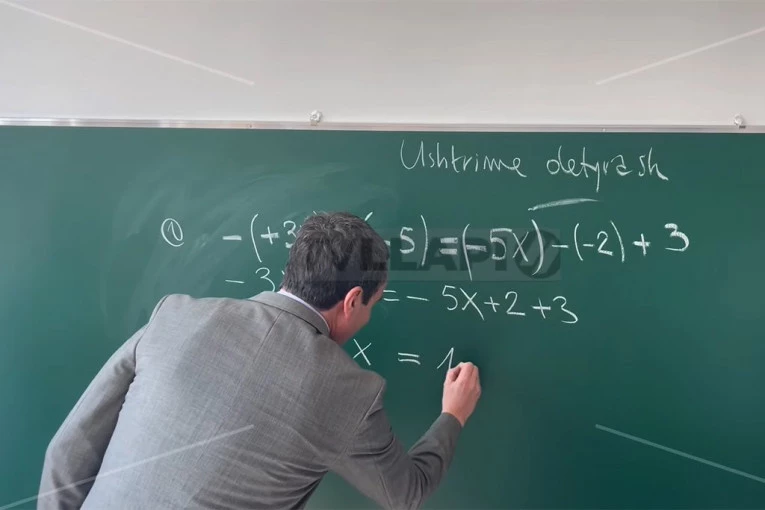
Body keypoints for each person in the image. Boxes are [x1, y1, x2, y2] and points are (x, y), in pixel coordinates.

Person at [38, 212, 482, 510]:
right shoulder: (349, 391)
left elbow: (68, 449)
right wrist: (453, 415)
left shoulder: (174, 315)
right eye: (372, 305)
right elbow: (405, 492)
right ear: (351, 301)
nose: (368, 316)